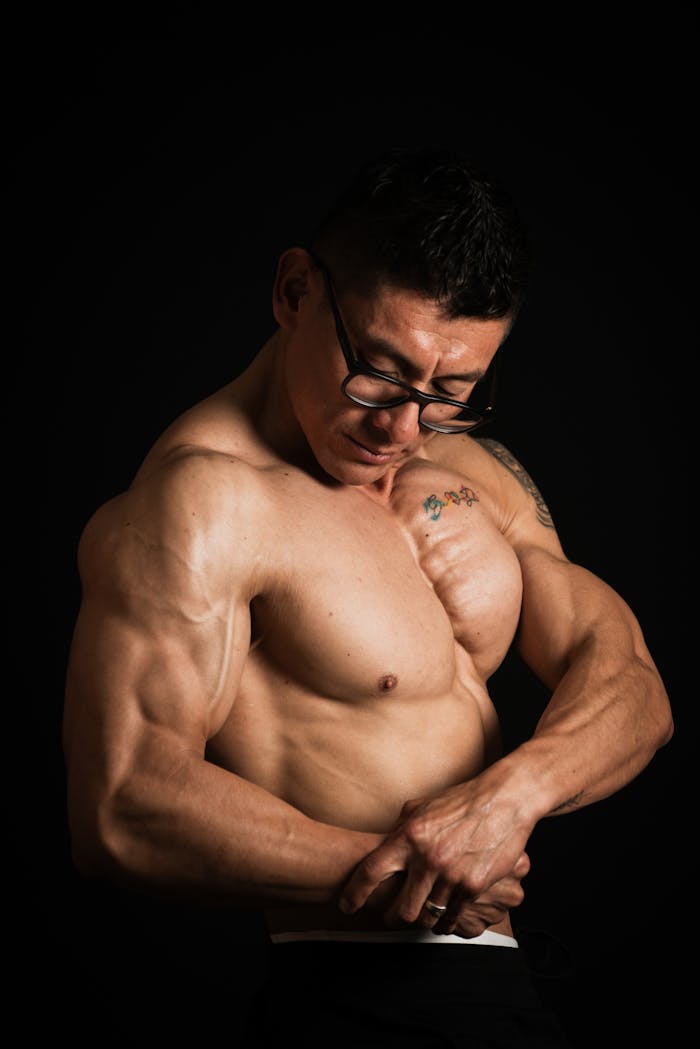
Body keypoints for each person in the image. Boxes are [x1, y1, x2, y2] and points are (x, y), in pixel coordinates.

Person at [63, 145, 673, 1047]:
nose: (402, 425)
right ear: (295, 292)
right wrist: (418, 866)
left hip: (501, 985)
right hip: (355, 995)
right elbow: (123, 803)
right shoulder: (204, 501)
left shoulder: (472, 469)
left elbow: (631, 683)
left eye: (450, 390)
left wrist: (507, 799)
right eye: (380, 372)